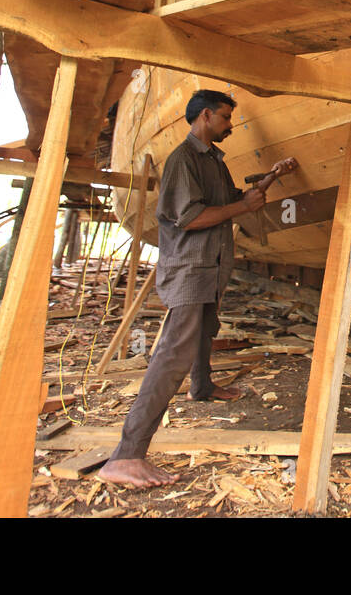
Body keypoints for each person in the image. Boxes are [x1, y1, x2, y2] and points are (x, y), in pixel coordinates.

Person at [99, 88, 297, 488]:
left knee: (206, 329)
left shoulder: (213, 161)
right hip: (190, 270)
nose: (230, 125)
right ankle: (126, 455)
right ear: (205, 116)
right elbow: (191, 218)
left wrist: (273, 175)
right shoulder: (183, 160)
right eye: (225, 117)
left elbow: (235, 201)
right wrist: (242, 207)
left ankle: (202, 387)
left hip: (209, 267)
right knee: (173, 353)